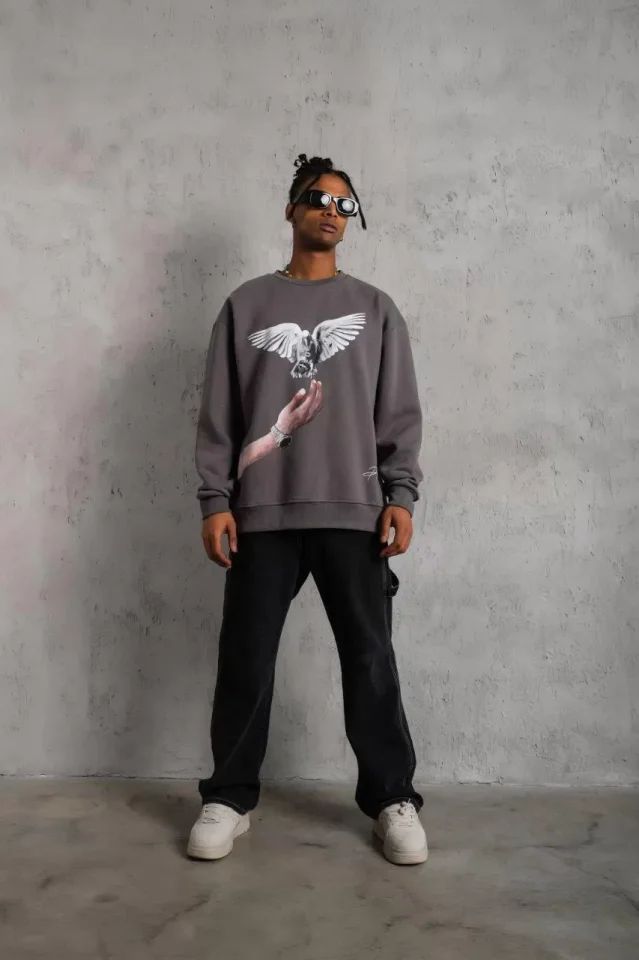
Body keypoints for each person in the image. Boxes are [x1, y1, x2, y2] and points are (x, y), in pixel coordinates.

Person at [187, 153, 428, 866]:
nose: (331, 211)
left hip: (355, 511)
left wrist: (400, 495)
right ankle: (230, 797)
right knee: (246, 659)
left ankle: (392, 798)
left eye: (344, 204)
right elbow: (219, 413)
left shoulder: (376, 309)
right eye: (318, 198)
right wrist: (215, 499)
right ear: (290, 208)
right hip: (261, 513)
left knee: (370, 660)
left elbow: (397, 412)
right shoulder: (246, 305)